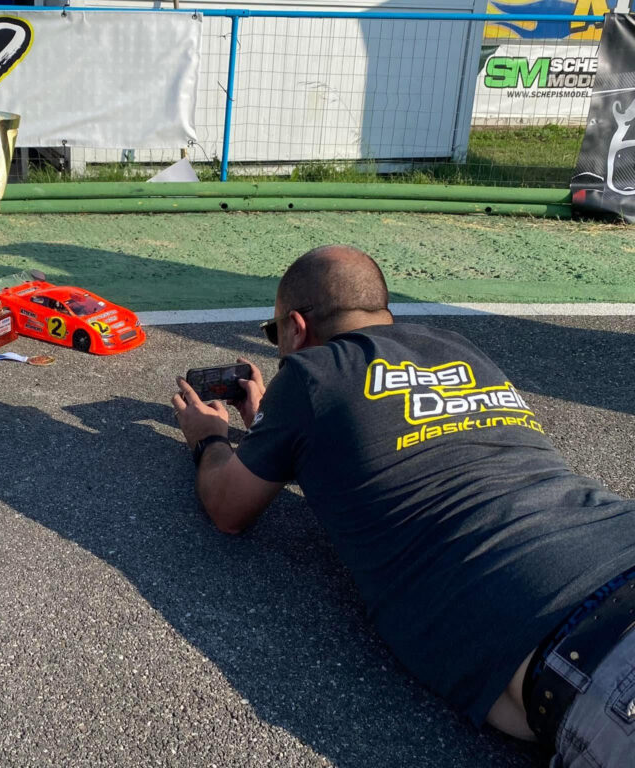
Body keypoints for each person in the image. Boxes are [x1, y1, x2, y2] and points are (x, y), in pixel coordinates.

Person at [171, 244, 635, 766]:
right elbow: (405, 436)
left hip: (587, 639)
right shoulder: (457, 347)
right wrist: (269, 426)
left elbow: (228, 509)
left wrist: (209, 438)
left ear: (296, 328)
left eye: (273, 333)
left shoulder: (308, 375)